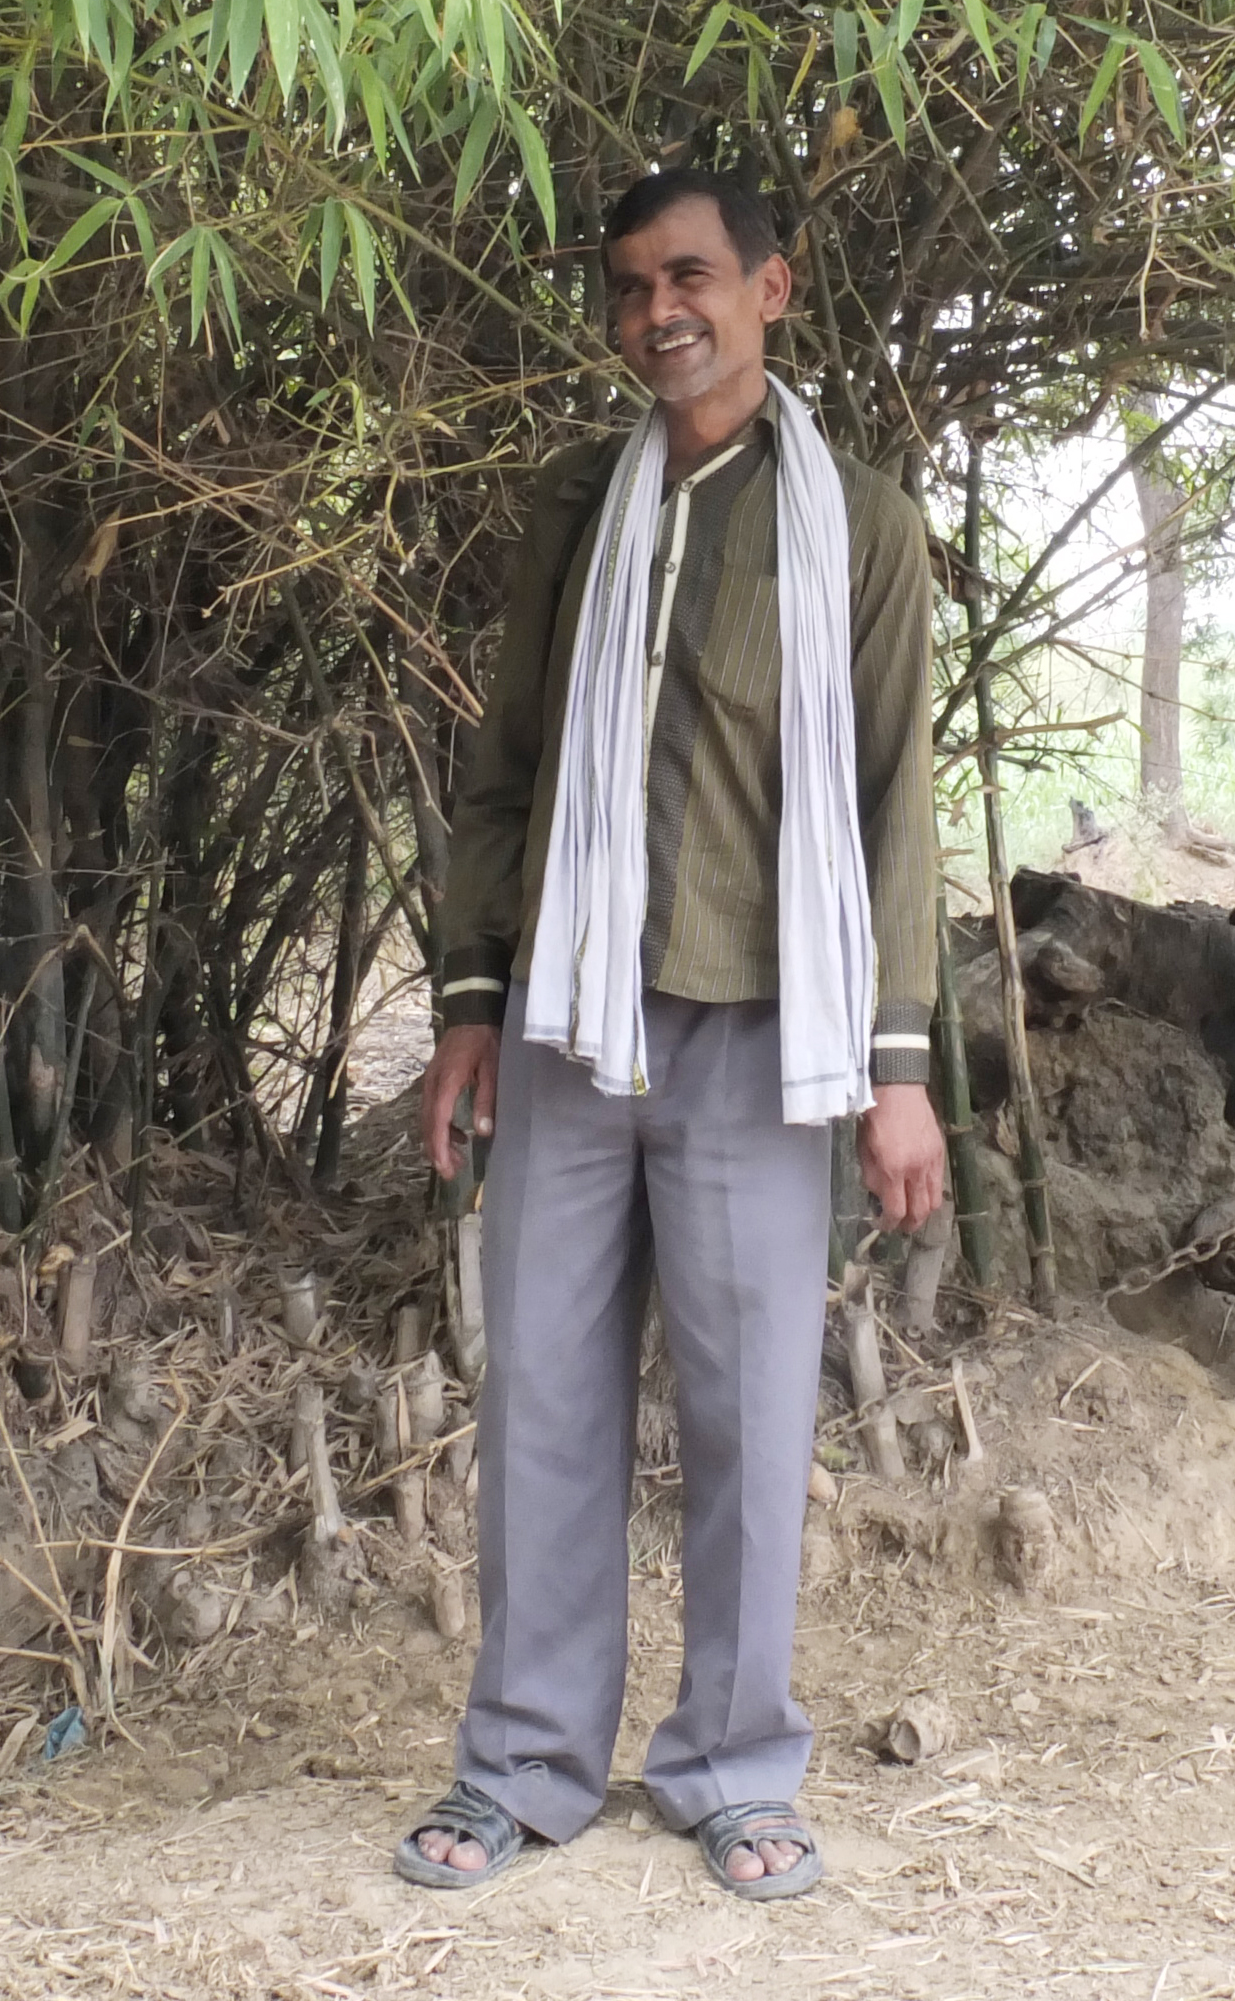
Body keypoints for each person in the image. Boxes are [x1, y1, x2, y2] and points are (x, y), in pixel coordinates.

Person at [396, 169, 948, 1901]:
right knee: (542, 1399)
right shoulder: (580, 504)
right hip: (568, 1013)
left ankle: (732, 1768)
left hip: (762, 1032)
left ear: (773, 288)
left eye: (692, 277)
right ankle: (527, 1764)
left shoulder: (855, 521)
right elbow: (503, 771)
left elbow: (895, 798)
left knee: (751, 1410)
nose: (660, 314)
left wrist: (900, 1068)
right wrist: (473, 1004)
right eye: (632, 287)